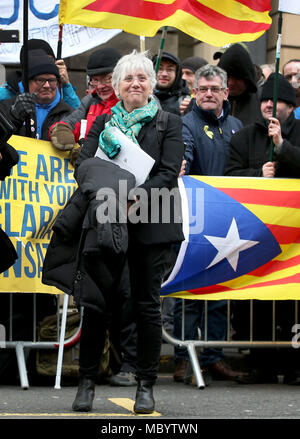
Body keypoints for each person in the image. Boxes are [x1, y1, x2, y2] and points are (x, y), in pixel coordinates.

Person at [42, 50, 185, 413]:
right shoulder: (105, 123)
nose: (135, 84)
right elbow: (84, 165)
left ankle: (145, 385)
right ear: (118, 87)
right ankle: (87, 383)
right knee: (96, 305)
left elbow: (168, 173)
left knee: (146, 306)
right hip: (105, 218)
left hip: (152, 222)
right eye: (128, 79)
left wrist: (133, 197)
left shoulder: (168, 123)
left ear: (151, 85)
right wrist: (112, 194)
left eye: (142, 78)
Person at [225, 73, 300, 384]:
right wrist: (258, 173)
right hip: (258, 235)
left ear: (291, 106)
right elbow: (230, 176)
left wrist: (282, 147)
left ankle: (295, 366)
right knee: (259, 302)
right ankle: (262, 365)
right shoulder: (243, 137)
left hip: (295, 239)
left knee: (293, 303)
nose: (271, 104)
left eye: (279, 100)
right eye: (267, 100)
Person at [173, 65, 244, 384]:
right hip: (194, 218)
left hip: (228, 220)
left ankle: (213, 357)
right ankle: (183, 358)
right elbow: (183, 152)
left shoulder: (236, 125)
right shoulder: (185, 124)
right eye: (202, 89)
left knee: (219, 292)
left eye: (214, 89)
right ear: (195, 92)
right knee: (188, 291)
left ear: (226, 92)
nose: (208, 94)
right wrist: (182, 164)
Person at [49, 47, 121, 158]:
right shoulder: (90, 101)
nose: (100, 86)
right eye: (95, 80)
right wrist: (61, 130)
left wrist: (86, 155)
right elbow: (71, 122)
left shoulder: (130, 103)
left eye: (107, 79)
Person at [0, 50, 72, 140]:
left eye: (52, 80)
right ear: (27, 82)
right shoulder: (5, 108)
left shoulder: (69, 114)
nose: (47, 85)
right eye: (40, 80)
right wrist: (13, 117)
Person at [0, 38, 80, 109]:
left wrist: (66, 85)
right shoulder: (5, 95)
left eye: (50, 60)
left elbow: (77, 118)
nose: (46, 65)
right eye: (40, 60)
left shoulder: (59, 90)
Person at [217, 43, 261, 126]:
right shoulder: (209, 99)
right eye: (227, 77)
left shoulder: (263, 102)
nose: (231, 83)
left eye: (237, 78)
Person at [152, 51, 190, 116]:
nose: (164, 74)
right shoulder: (144, 98)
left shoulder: (185, 102)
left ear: (177, 74)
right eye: (160, 68)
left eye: (170, 70)